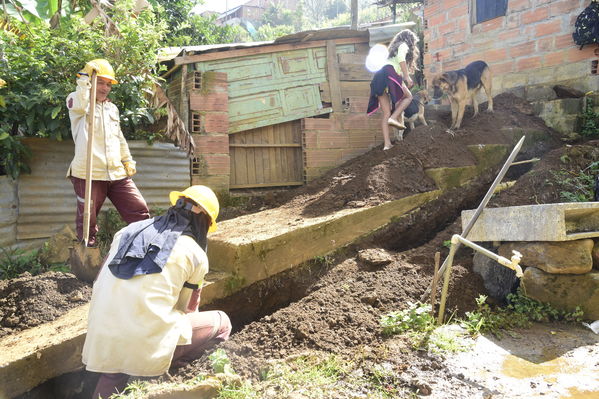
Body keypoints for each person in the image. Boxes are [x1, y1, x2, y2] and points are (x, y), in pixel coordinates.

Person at [82, 185, 232, 399]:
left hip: (101, 337)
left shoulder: (126, 232)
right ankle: (164, 373)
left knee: (114, 373)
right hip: (144, 345)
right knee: (222, 322)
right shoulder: (195, 253)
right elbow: (189, 310)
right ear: (206, 222)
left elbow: (100, 281)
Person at [66, 58, 150, 247]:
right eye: (100, 82)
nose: (105, 88)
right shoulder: (77, 101)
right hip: (88, 173)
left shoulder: (112, 108)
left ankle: (143, 250)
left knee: (139, 211)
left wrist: (127, 160)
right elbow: (81, 101)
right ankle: (88, 255)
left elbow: (118, 137)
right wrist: (85, 78)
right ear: (91, 82)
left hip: (116, 172)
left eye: (108, 84)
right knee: (88, 221)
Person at [366, 29, 420, 150]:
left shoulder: (392, 52)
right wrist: (407, 76)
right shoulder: (404, 45)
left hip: (379, 77)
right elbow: (401, 58)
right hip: (391, 74)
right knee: (409, 97)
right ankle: (394, 117)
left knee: (386, 113)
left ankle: (387, 144)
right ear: (409, 40)